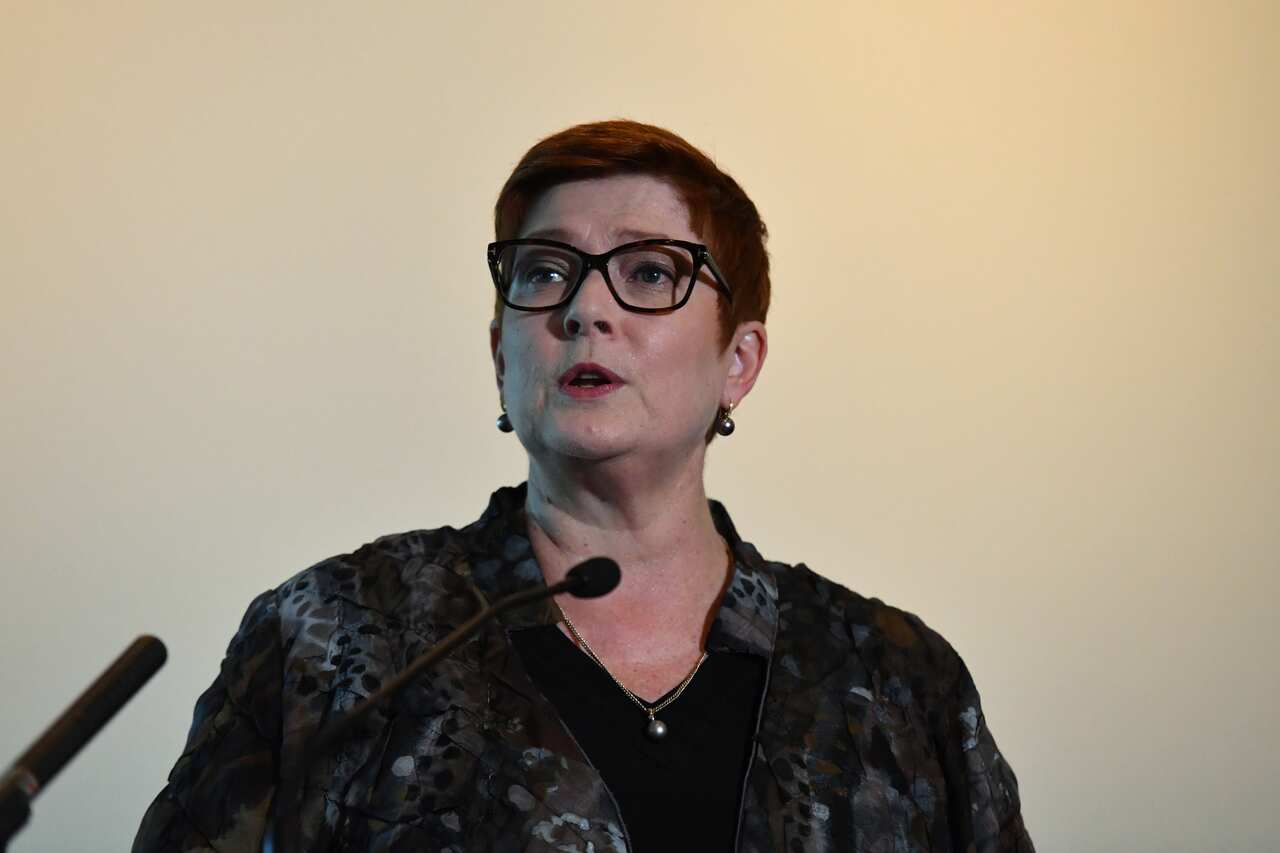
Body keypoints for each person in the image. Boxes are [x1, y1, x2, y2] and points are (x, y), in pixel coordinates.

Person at [133, 120, 1034, 852]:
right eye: (545, 271)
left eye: (649, 272)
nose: (584, 308)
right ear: (501, 356)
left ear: (739, 362)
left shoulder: (899, 682)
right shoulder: (329, 642)